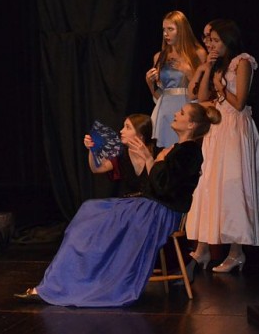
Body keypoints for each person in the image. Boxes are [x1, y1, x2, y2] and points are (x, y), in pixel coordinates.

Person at [15, 103, 221, 307]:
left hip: (158, 212)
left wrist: (149, 159)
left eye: (182, 113)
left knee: (91, 219)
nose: (176, 113)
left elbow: (163, 187)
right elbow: (150, 182)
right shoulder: (175, 150)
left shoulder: (188, 152)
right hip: (147, 207)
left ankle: (74, 283)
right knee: (87, 218)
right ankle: (65, 282)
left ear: (191, 125)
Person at [185, 19, 259, 274]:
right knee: (209, 185)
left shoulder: (242, 61)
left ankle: (236, 252)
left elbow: (240, 102)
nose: (211, 45)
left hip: (235, 128)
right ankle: (203, 249)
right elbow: (202, 98)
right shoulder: (219, 64)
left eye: (215, 41)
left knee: (233, 187)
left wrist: (221, 88)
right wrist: (207, 69)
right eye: (209, 40)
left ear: (228, 40)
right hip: (217, 128)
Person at [145, 11, 206, 147]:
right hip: (164, 111)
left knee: (184, 149)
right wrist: (149, 82)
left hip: (186, 108)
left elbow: (204, 92)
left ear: (182, 30)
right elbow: (159, 96)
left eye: (170, 29)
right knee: (163, 150)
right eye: (164, 30)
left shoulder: (198, 54)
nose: (165, 34)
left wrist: (188, 72)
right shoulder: (160, 57)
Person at [83, 114, 154, 197]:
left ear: (140, 134)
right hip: (128, 201)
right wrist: (92, 148)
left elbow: (156, 185)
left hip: (150, 201)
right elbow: (97, 168)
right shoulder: (121, 153)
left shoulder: (157, 152)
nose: (121, 131)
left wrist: (148, 159)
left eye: (128, 127)